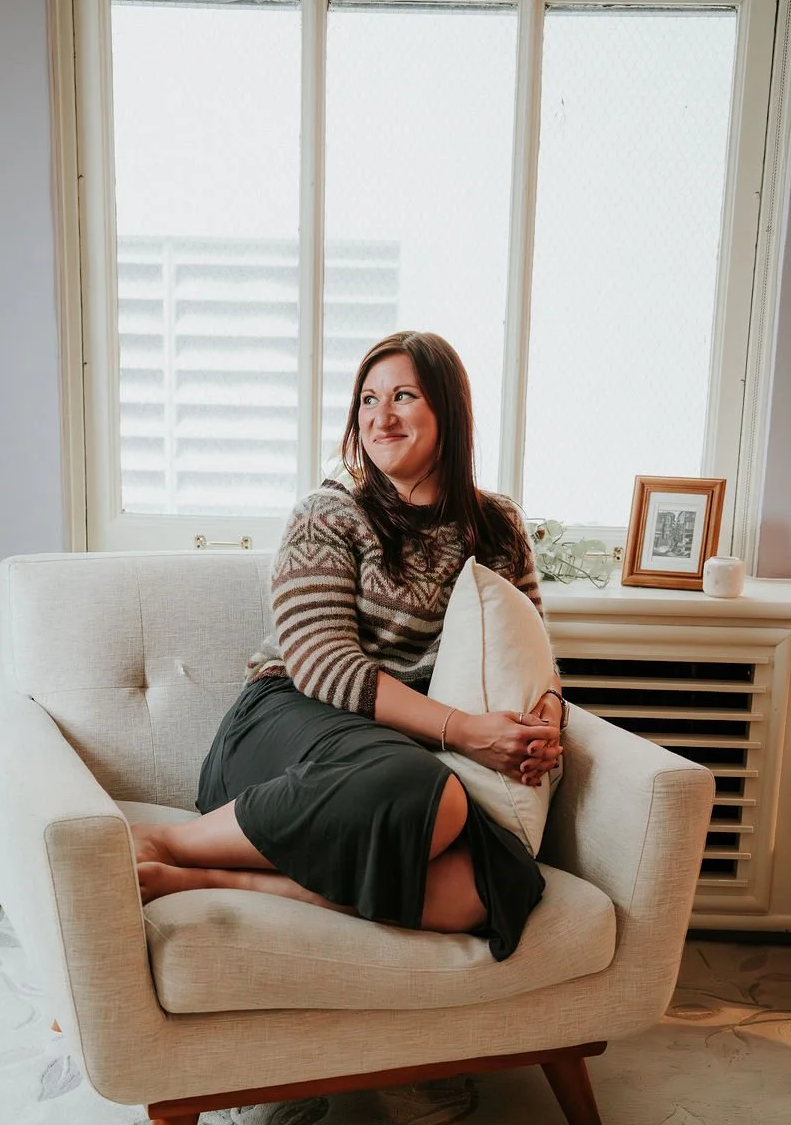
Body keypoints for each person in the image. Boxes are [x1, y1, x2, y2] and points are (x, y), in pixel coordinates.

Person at [131, 331, 566, 960]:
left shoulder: (498, 528)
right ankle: (169, 842)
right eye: (367, 400)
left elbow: (530, 648)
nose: (380, 417)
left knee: (490, 887)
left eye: (403, 396)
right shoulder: (328, 514)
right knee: (430, 794)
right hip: (287, 719)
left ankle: (219, 879)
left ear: (449, 410)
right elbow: (322, 665)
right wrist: (468, 733)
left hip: (394, 752)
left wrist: (545, 718)